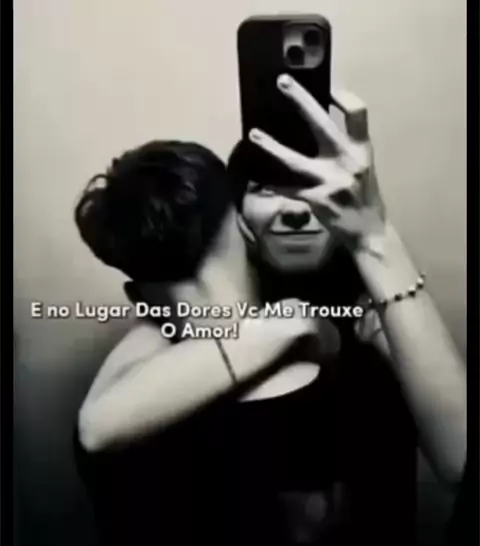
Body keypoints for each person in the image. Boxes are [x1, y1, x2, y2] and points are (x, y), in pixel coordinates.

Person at [74, 78, 466, 546]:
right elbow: (97, 427)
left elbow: (464, 465)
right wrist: (291, 324)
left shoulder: (378, 311)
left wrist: (374, 246)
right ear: (241, 221)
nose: (296, 210)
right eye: (265, 189)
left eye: (313, 187)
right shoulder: (163, 346)